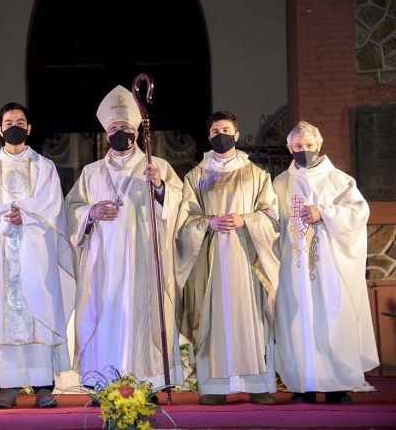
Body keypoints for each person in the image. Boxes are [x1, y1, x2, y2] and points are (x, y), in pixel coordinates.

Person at [65, 85, 184, 391]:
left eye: (127, 128)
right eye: (115, 128)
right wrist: (90, 212)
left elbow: (179, 207)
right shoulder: (91, 173)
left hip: (142, 262)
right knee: (106, 314)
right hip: (103, 264)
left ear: (136, 132)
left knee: (141, 315)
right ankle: (101, 382)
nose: (121, 133)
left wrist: (159, 186)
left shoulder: (157, 168)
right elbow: (71, 210)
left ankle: (149, 383)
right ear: (107, 135)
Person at [0, 102, 75, 409]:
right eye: (8, 121)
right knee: (3, 315)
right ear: (0, 129)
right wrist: (6, 215)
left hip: (36, 254)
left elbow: (52, 205)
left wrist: (24, 215)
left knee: (37, 311)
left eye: (21, 121)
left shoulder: (45, 166)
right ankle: (8, 388)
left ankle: (43, 386)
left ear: (29, 128)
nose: (15, 125)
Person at [176, 110, 281, 405]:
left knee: (251, 318)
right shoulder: (195, 176)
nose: (220, 135)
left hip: (247, 258)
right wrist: (208, 222)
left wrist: (245, 219)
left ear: (236, 135)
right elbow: (183, 219)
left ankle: (258, 386)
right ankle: (213, 388)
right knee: (212, 318)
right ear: (209, 137)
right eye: (214, 131)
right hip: (209, 261)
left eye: (226, 129)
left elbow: (271, 215)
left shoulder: (258, 175)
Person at [273, 121, 379, 404]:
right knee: (299, 322)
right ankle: (303, 386)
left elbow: (359, 213)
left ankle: (336, 386)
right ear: (288, 148)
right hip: (293, 268)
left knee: (332, 318)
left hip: (330, 268)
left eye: (308, 146)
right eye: (297, 146)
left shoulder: (339, 180)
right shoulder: (280, 183)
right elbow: (271, 223)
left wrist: (324, 212)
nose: (303, 150)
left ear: (319, 146)